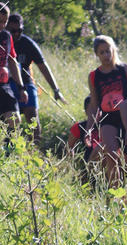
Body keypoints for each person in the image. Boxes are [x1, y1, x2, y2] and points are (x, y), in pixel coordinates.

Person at [88, 35, 127, 185]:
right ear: (97, 54)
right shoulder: (94, 76)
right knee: (111, 155)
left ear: (113, 50)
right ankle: (115, 192)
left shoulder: (125, 69)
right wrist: (89, 128)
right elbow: (94, 104)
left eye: (108, 51)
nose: (105, 55)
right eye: (101, 52)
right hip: (108, 118)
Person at [7, 13, 64, 144]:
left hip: (26, 83)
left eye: (19, 30)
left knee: (32, 115)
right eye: (12, 31)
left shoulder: (27, 44)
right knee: (10, 119)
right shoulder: (3, 42)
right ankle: (11, 148)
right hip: (6, 84)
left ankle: (35, 148)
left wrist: (56, 90)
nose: (16, 34)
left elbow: (43, 66)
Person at [0, 8, 27, 133]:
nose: (2, 25)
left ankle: (8, 145)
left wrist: (21, 87)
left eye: (4, 22)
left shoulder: (6, 36)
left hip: (3, 85)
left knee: (14, 119)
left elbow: (12, 62)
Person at [67, 95, 101, 164]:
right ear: (86, 112)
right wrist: (71, 164)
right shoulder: (79, 127)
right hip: (89, 163)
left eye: (97, 109)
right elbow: (69, 147)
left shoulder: (110, 126)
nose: (95, 113)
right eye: (91, 110)